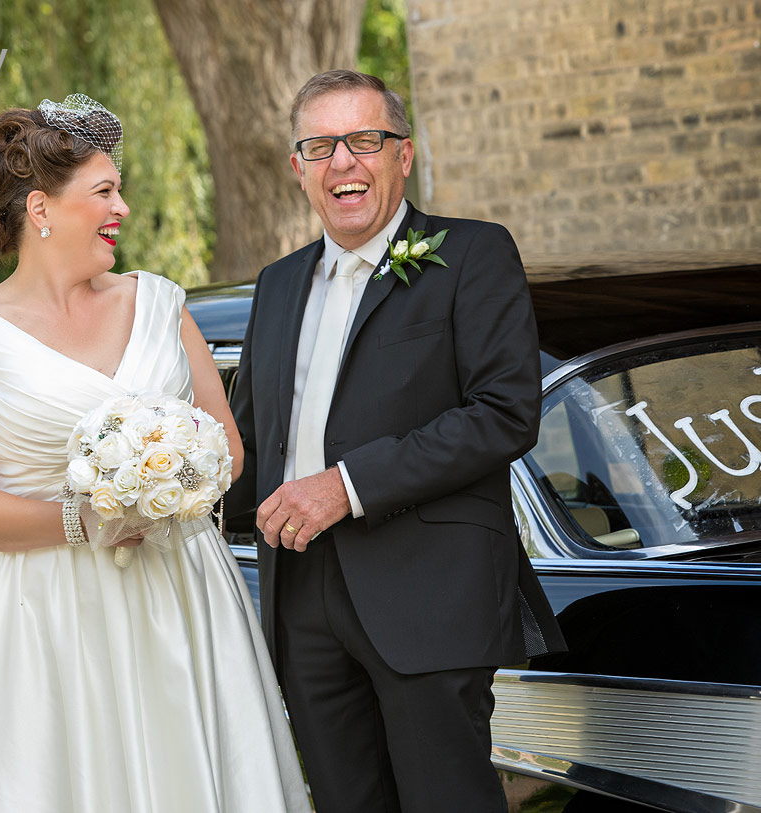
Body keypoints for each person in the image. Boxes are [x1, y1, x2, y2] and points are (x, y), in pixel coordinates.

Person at [0, 94, 309, 813]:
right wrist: (86, 521)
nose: (123, 209)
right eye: (105, 192)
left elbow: (226, 444)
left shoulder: (160, 303)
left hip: (179, 589)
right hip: (46, 613)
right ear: (41, 208)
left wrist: (177, 476)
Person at [228, 70, 567, 812]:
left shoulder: (474, 256)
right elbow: (249, 444)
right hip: (302, 599)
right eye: (321, 146)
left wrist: (345, 484)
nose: (343, 162)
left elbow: (503, 412)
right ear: (298, 167)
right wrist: (149, 492)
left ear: (403, 156)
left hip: (428, 592)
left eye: (365, 141)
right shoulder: (278, 283)